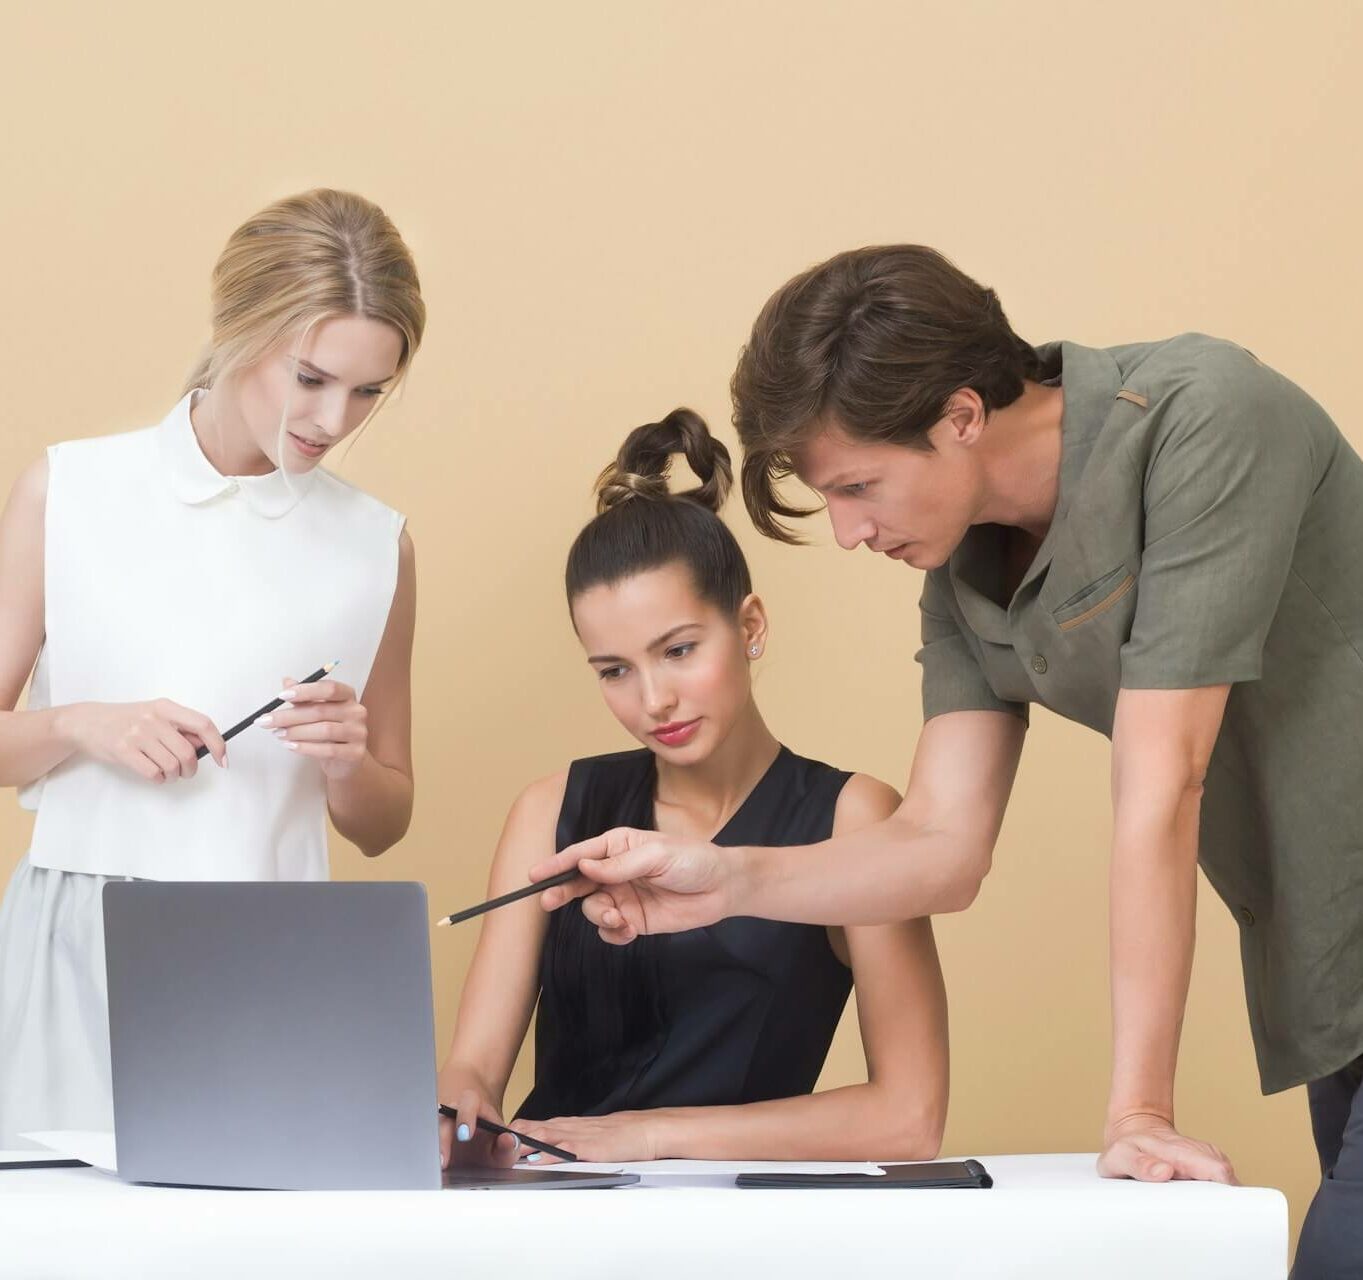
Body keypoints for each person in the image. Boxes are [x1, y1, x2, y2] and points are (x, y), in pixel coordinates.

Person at [534, 247, 1363, 1277]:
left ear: (960, 415)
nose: (845, 531)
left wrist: (1138, 1109)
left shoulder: (1204, 420)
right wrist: (719, 879)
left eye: (858, 486)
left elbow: (1163, 786)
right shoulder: (964, 564)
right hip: (1331, 958)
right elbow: (940, 845)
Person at [0, 188, 424, 1144]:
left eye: (368, 392)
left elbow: (385, 824)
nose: (333, 419)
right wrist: (80, 723)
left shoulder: (374, 545)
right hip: (77, 938)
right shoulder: (70, 490)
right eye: (310, 377)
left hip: (273, 955)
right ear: (240, 331)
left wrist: (347, 762)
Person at [438, 408, 947, 1168]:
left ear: (749, 627)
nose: (653, 701)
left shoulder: (853, 819)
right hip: (547, 1212)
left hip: (730, 1226)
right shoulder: (550, 812)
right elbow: (472, 1070)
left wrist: (646, 1137)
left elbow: (907, 1118)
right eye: (613, 670)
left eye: (677, 650)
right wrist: (459, 1110)